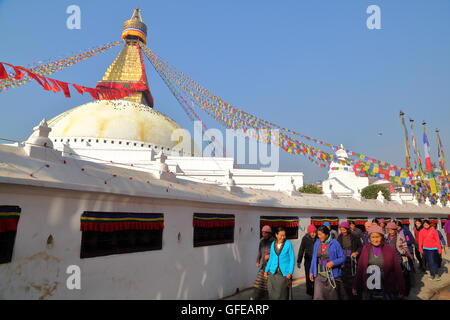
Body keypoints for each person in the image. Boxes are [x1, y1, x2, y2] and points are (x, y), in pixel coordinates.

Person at [352, 225, 405, 300]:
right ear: (369, 238)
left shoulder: (390, 249)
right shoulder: (366, 248)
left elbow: (397, 270)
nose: (375, 240)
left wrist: (401, 288)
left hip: (386, 285)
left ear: (382, 237)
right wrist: (355, 285)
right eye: (373, 237)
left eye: (377, 237)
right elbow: (360, 268)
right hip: (369, 284)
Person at [309, 225, 346, 300]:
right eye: (318, 234)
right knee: (318, 296)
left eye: (320, 234)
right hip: (319, 274)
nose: (319, 236)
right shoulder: (317, 243)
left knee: (332, 296)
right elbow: (314, 258)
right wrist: (311, 271)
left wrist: (333, 262)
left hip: (331, 275)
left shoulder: (335, 243)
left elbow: (343, 257)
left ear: (326, 234)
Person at [264, 227, 295, 300]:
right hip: (272, 273)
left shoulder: (288, 244)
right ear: (276, 235)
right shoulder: (273, 244)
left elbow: (292, 259)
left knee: (282, 295)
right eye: (281, 235)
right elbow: (271, 258)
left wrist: (290, 272)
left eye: (284, 235)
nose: (283, 237)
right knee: (272, 293)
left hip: (284, 274)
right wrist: (266, 270)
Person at [385, 222, 413, 296]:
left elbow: (405, 247)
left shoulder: (400, 237)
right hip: (389, 260)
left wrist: (403, 252)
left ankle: (404, 291)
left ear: (395, 229)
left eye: (392, 230)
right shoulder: (385, 237)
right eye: (389, 230)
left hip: (399, 258)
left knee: (402, 275)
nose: (391, 232)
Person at [337, 222, 362, 299]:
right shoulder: (339, 237)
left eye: (344, 229)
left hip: (352, 259)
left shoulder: (355, 236)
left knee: (353, 276)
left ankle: (354, 292)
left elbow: (360, 246)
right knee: (344, 277)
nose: (343, 231)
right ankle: (345, 293)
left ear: (347, 229)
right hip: (343, 259)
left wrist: (357, 252)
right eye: (341, 230)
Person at [252, 225, 275, 299]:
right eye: (262, 232)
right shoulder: (261, 241)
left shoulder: (274, 242)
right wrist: (257, 261)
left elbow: (277, 253)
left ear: (269, 233)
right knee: (258, 282)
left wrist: (270, 256)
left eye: (265, 233)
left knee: (268, 284)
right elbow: (259, 252)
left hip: (270, 266)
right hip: (263, 265)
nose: (263, 234)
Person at [297, 224, 318, 297]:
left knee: (316, 277)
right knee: (309, 277)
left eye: (315, 232)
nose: (313, 234)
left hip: (316, 261)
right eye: (312, 232)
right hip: (308, 261)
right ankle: (310, 292)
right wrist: (299, 261)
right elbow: (301, 249)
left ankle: (316, 292)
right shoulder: (305, 238)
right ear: (309, 232)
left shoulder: (318, 238)